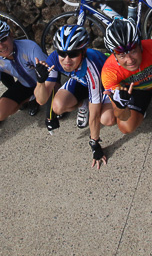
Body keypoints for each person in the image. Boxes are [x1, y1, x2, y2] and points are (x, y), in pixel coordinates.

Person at [33, 25, 114, 169]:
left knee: (106, 119)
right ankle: (83, 105)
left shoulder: (91, 68)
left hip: (102, 85)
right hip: (82, 82)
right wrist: (40, 82)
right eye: (62, 53)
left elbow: (94, 116)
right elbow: (41, 99)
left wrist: (94, 144)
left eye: (73, 53)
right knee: (57, 106)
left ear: (83, 52)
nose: (66, 59)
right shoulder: (54, 59)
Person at [0, 19, 43, 127]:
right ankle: (32, 98)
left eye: (3, 39)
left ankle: (38, 98)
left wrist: (51, 113)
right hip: (25, 85)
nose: (1, 46)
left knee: (54, 102)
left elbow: (51, 73)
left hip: (44, 82)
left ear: (11, 35)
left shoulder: (29, 46)